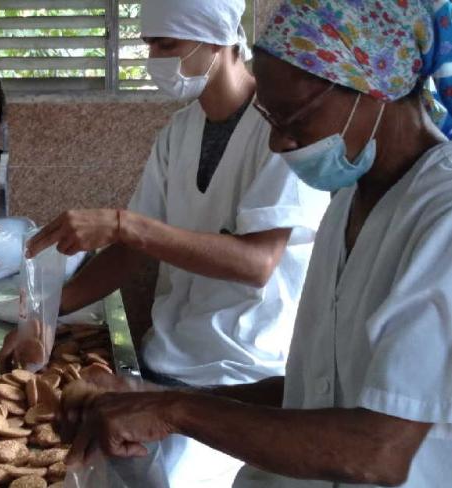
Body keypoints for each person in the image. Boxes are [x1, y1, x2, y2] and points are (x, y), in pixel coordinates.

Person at [60, 1, 452, 487]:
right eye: (271, 117)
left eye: (293, 116)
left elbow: (380, 450)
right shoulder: (352, 201)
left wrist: (177, 409)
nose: (277, 143)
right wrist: (147, 395)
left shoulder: (441, 219)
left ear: (373, 90)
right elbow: (315, 393)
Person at [0, 0, 329, 485]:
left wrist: (123, 224)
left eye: (167, 44)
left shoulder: (278, 132)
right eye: (149, 44)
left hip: (245, 375)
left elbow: (257, 262)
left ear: (218, 40)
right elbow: (131, 251)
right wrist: (45, 314)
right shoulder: (179, 133)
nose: (154, 58)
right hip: (167, 361)